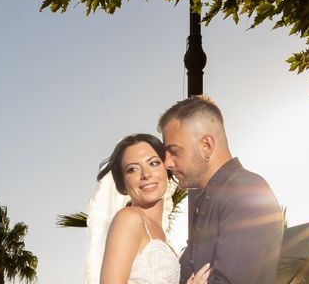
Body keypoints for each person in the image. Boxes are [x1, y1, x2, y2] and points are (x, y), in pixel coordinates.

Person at [158, 96, 283, 284]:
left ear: (206, 146)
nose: (167, 163)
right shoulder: (209, 199)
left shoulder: (246, 191)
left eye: (174, 151)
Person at [93, 133, 212, 284]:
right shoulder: (129, 219)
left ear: (167, 169)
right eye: (132, 169)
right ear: (123, 184)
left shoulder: (162, 235)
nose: (146, 174)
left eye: (154, 163)